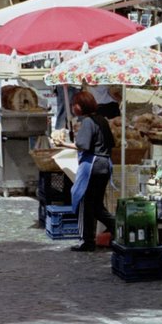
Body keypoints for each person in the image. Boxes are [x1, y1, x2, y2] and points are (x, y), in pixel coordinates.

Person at [55, 90, 115, 252]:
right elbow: (111, 143)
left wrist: (62, 144)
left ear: (81, 107)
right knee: (96, 205)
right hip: (104, 164)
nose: (73, 108)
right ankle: (113, 226)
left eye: (75, 105)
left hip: (92, 166)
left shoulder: (88, 122)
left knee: (85, 202)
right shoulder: (102, 120)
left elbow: (82, 145)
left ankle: (88, 239)